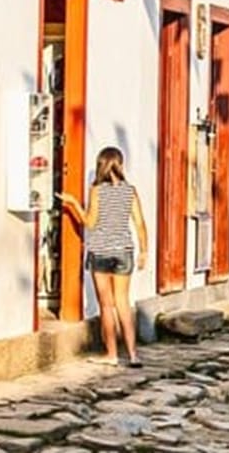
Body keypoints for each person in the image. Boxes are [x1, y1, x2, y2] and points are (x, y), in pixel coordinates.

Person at [58, 147, 149, 368]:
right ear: (120, 164)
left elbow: (89, 222)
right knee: (123, 304)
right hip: (124, 251)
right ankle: (134, 355)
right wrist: (144, 250)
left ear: (101, 165)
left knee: (106, 306)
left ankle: (112, 355)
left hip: (101, 251)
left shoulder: (97, 190)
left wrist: (73, 203)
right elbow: (139, 223)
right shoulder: (130, 191)